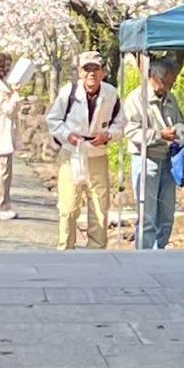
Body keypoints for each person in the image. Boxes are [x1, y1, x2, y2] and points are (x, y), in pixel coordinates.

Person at [45, 50, 122, 249]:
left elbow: (120, 124)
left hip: (98, 154)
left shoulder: (110, 93)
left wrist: (108, 135)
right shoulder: (68, 92)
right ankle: (66, 248)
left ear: (103, 72)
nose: (91, 74)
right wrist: (67, 135)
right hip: (72, 153)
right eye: (87, 69)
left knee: (99, 207)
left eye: (95, 69)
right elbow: (53, 120)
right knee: (68, 206)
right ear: (80, 72)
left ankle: (96, 251)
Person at [121, 56, 184, 250]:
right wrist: (159, 135)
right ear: (154, 77)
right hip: (146, 158)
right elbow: (131, 130)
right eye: (167, 80)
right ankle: (144, 255)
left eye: (171, 81)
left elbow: (180, 122)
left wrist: (181, 133)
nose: (169, 84)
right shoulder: (136, 98)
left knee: (167, 214)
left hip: (169, 160)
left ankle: (160, 251)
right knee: (147, 214)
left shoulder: (170, 97)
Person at [0, 50, 36, 220]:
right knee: (3, 172)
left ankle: (3, 204)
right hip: (1, 133)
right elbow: (9, 110)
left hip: (1, 133)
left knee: (5, 171)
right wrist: (16, 95)